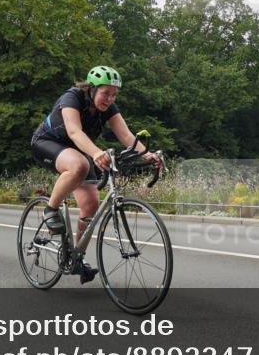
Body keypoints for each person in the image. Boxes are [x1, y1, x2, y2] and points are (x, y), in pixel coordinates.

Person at [30, 66, 162, 284]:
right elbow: (74, 132)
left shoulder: (109, 107)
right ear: (92, 89)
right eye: (106, 93)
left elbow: (126, 136)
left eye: (114, 94)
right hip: (48, 143)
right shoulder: (72, 98)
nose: (110, 98)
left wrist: (146, 154)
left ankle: (76, 258)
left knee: (91, 203)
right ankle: (50, 209)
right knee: (80, 164)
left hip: (80, 150)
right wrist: (96, 153)